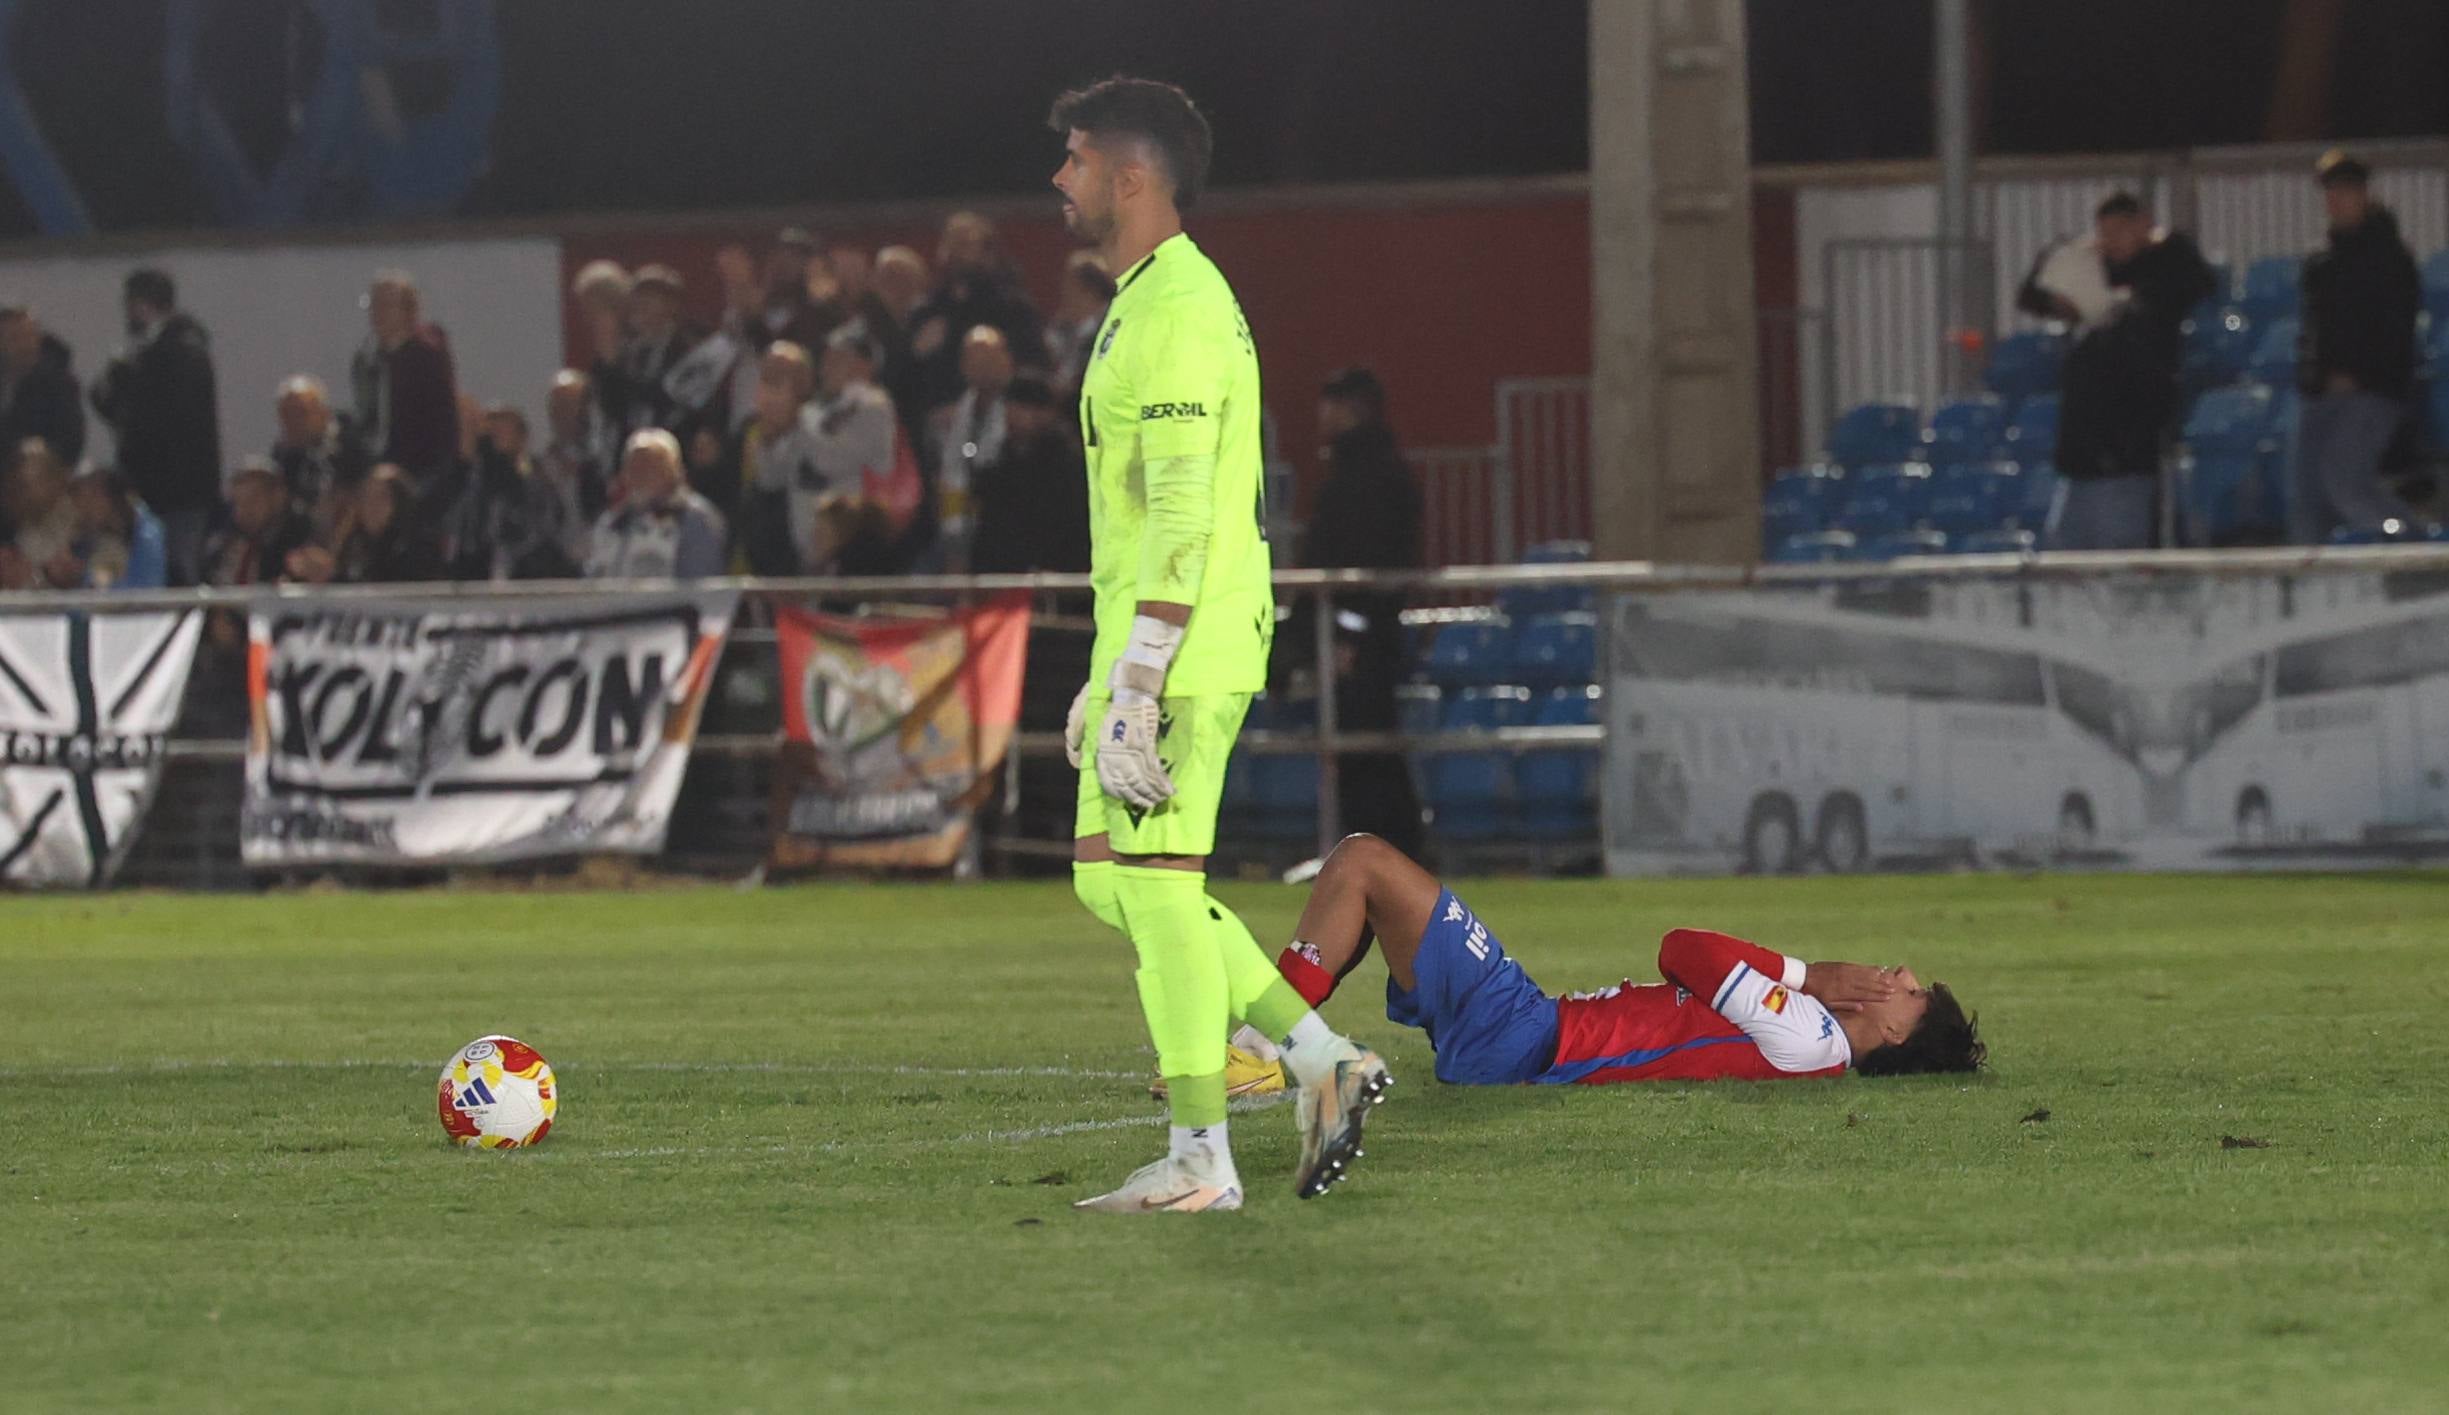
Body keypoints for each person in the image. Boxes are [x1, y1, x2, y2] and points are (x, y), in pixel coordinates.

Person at [1050, 75, 1389, 1215]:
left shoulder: (1182, 309)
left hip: (1184, 648)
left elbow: (1190, 519)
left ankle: (1204, 1156)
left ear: (1129, 176)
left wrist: (1139, 680)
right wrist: (1108, 670)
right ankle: (1317, 1059)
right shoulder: (1144, 301)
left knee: (1154, 886)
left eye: (1075, 158)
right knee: (1111, 884)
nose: (1060, 178)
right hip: (1150, 643)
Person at [1231, 834, 1984, 1093]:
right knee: (1369, 886)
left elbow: (1680, 949)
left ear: (1892, 1031)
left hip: (1525, 1037)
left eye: (1909, 991)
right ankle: (1273, 1042)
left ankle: (1267, 1046)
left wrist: (1806, 972)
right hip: (1528, 1028)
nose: (1894, 973)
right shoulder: (1812, 1038)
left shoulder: (1812, 1038)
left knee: (1364, 859)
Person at [2016, 192, 2215, 550]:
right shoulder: (2093, 284)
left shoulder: (2161, 282)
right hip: (2079, 462)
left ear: (2142, 226)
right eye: (2105, 232)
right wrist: (2068, 251)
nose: (2112, 240)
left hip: (2126, 461)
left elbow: (2197, 277)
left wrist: (2161, 238)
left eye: (2122, 229)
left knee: (2119, 573)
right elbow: (2033, 295)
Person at [1284, 366, 1426, 858]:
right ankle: (1380, 851)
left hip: (1356, 639)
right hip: (1356, 633)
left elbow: (1371, 568)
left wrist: (1349, 635)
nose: (1323, 414)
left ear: (1352, 409)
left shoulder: (1367, 478)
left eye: (1332, 404)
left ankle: (1382, 851)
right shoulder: (1369, 471)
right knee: (1363, 748)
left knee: (1367, 751)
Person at [2293, 150, 2425, 543]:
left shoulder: (2390, 259)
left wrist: (2359, 376)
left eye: (2346, 190)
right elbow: (2314, 330)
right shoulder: (2321, 263)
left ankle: (2410, 542)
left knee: (2346, 480)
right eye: (2331, 191)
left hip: (2373, 391)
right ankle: (2309, 576)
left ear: (2364, 194)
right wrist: (2314, 376)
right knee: (2305, 491)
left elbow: (2395, 331)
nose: (2336, 199)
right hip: (2321, 392)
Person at [88, 268, 220, 585]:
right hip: (160, 488)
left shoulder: (179, 351)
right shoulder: (157, 350)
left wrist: (126, 380)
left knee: (178, 570)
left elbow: (159, 418)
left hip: (176, 491)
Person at [779, 322, 923, 575]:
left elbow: (830, 460)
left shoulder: (875, 407)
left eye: (839, 358)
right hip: (806, 548)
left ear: (864, 366)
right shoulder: (814, 411)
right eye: (826, 358)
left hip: (853, 551)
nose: (827, 366)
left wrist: (795, 420)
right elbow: (778, 471)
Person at [909, 212, 1047, 414]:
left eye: (965, 245)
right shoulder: (927, 310)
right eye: (951, 244)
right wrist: (915, 353)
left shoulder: (1012, 308)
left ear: (986, 252)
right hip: (935, 420)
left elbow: (1031, 365)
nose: (956, 253)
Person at [971, 372, 1090, 573]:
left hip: (1056, 575)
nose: (1014, 415)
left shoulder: (1068, 463)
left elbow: (1071, 524)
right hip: (1003, 575)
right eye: (1011, 406)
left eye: (1024, 407)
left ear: (1047, 413)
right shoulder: (999, 463)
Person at [349, 271, 460, 484]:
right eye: (374, 305)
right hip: (377, 470)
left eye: (387, 305)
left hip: (419, 472)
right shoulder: (367, 361)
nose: (378, 313)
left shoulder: (426, 357)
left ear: (411, 311)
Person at [586, 428, 727, 580]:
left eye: (652, 465)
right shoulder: (611, 523)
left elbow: (700, 584)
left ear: (675, 472)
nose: (642, 473)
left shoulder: (697, 519)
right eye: (634, 465)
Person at [930, 325, 1016, 570]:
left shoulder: (1022, 402)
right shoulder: (960, 414)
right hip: (964, 529)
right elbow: (952, 473)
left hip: (1008, 525)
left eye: (989, 357)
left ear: (1006, 358)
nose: (982, 366)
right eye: (974, 359)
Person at [288, 463, 436, 585]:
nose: (370, 505)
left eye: (381, 497)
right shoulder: (353, 546)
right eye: (366, 496)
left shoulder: (414, 551)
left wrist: (333, 577)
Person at [270, 374, 368, 539]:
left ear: (324, 414)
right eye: (286, 415)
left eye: (301, 413)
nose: (293, 422)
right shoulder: (282, 456)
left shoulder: (353, 447)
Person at [618, 264, 709, 438]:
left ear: (671, 305)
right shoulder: (628, 352)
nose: (641, 305)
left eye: (650, 298)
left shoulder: (687, 348)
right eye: (638, 297)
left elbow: (676, 396)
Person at [537, 370, 611, 569]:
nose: (563, 413)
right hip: (553, 568)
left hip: (597, 562)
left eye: (570, 404)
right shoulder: (539, 467)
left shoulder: (605, 463)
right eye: (557, 405)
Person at [204, 460, 312, 589]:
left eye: (253, 500)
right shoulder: (226, 541)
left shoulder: (300, 538)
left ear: (278, 497)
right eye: (238, 503)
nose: (243, 510)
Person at [0, 307, 86, 466]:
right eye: (14, 338)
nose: (23, 345)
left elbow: (69, 439)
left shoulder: (59, 385)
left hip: (36, 478)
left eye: (29, 336)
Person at [0, 439, 88, 589]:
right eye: (17, 485)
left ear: (56, 481)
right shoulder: (21, 529)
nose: (22, 494)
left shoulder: (82, 521)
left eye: (28, 485)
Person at [1045, 251, 1117, 412]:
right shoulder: (1061, 325)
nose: (1063, 291)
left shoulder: (1111, 327)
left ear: (1089, 290)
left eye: (1070, 284)